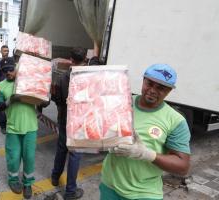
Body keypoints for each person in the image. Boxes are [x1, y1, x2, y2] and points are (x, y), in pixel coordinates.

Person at [100, 64, 191, 200]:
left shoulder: (175, 121)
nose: (152, 90)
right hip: (110, 185)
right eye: (149, 83)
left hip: (144, 193)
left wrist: (146, 154)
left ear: (169, 91)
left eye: (160, 88)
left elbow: (183, 166)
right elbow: (98, 127)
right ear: (143, 80)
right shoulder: (122, 103)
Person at [0, 57, 38, 199]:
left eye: (11, 70)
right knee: (13, 158)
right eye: (5, 71)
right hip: (13, 128)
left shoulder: (28, 83)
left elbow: (43, 101)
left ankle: (27, 183)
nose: (9, 73)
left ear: (16, 68)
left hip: (30, 127)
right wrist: (10, 100)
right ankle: (13, 180)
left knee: (29, 157)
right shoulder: (1, 86)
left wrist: (44, 98)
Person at [51, 47, 87, 199]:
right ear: (85, 59)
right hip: (79, 121)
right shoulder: (88, 77)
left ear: (71, 59)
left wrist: (62, 109)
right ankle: (71, 191)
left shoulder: (62, 77)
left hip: (64, 118)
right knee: (75, 155)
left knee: (61, 148)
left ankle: (55, 177)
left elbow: (56, 99)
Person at [0, 45, 10, 134]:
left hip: (10, 87)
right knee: (2, 109)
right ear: (1, 51)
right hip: (1, 88)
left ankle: (9, 124)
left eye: (7, 50)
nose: (6, 52)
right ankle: (3, 126)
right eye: (4, 51)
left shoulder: (11, 62)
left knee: (10, 107)